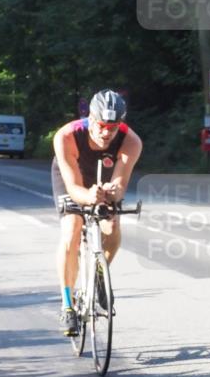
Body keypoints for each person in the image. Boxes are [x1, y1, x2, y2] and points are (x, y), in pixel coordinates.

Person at [51, 90, 142, 336]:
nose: (106, 133)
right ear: (90, 118)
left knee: (111, 225)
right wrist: (88, 196)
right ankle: (67, 305)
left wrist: (112, 192)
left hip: (104, 177)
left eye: (112, 128)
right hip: (73, 177)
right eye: (101, 126)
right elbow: (73, 188)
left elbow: (120, 185)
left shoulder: (131, 141)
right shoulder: (66, 136)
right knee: (72, 228)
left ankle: (100, 273)